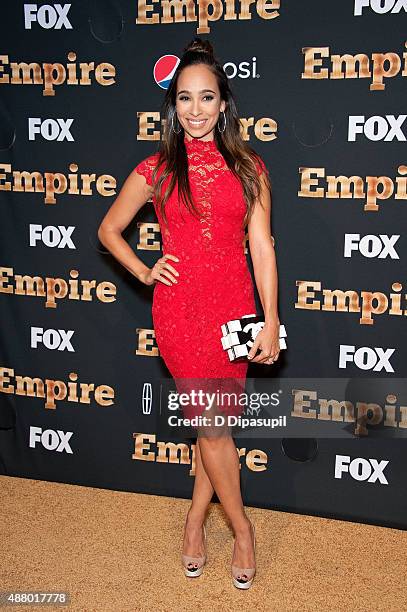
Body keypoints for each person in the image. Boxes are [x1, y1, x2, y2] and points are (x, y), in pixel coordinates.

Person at [98, 37, 280, 590]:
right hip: (180, 311)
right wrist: (146, 270)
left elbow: (263, 246)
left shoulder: (249, 166)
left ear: (224, 103)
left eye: (206, 98)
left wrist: (270, 317)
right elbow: (108, 229)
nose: (195, 110)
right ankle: (242, 529)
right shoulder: (155, 167)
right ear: (173, 106)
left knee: (213, 428)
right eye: (184, 99)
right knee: (213, 427)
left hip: (233, 309)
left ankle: (196, 518)